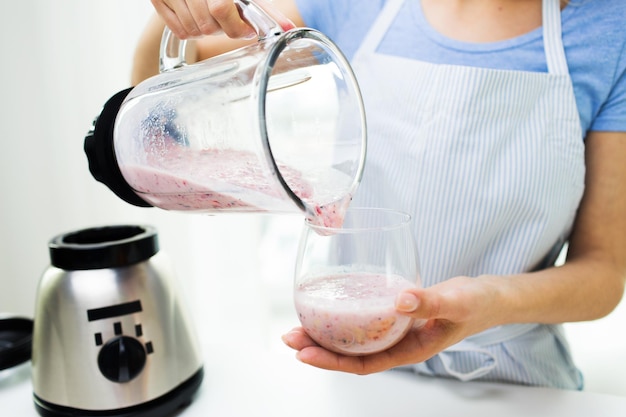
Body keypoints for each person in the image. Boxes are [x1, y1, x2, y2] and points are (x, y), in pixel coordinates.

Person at [133, 0, 626, 389]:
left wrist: (487, 301)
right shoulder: (356, 6)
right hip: (355, 370)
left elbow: (604, 272)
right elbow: (161, 86)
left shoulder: (611, 33)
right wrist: (180, 15)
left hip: (518, 382)